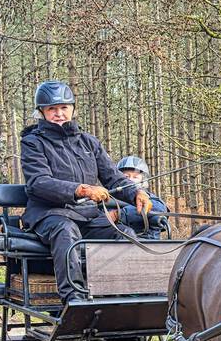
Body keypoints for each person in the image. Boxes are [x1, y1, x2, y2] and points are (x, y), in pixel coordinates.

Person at [19, 80, 152, 303]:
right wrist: (81, 190)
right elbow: (38, 183)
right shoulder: (33, 143)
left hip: (88, 216)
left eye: (63, 108)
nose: (59, 113)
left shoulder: (88, 142)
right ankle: (75, 299)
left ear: (72, 109)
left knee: (125, 234)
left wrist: (136, 193)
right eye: (52, 109)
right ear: (42, 112)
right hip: (49, 215)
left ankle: (124, 297)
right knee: (66, 230)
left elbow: (112, 176)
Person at [111, 155, 169, 238]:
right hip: (110, 246)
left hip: (146, 246)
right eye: (126, 176)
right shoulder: (110, 199)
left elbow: (159, 208)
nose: (130, 180)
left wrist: (119, 215)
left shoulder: (149, 198)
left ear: (143, 180)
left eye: (135, 177)